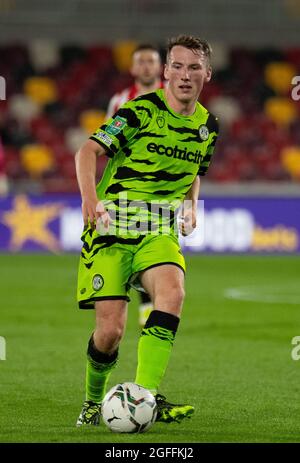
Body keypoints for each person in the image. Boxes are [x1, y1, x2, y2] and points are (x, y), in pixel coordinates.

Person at [75, 34, 219, 426]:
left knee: (172, 293)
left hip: (158, 230)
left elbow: (195, 171)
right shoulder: (139, 111)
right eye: (177, 66)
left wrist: (191, 204)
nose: (184, 75)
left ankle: (146, 398)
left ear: (207, 73)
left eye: (193, 67)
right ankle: (92, 400)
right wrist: (90, 199)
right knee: (111, 333)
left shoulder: (208, 126)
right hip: (111, 228)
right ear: (165, 71)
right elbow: (86, 152)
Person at [106, 43, 164, 326]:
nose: (145, 66)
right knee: (128, 245)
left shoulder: (173, 97)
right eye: (140, 61)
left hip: (163, 186)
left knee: (156, 245)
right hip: (127, 185)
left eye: (151, 61)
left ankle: (151, 308)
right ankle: (139, 307)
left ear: (160, 66)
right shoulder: (120, 101)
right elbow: (106, 141)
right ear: (132, 68)